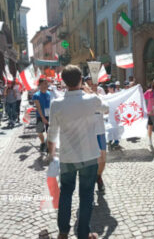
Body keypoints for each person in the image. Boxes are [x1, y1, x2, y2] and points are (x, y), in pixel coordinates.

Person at [47, 65, 109, 239]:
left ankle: (63, 232)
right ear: (81, 79)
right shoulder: (91, 100)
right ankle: (83, 233)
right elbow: (107, 109)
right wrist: (91, 92)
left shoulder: (56, 104)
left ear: (64, 82)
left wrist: (51, 154)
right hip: (89, 155)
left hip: (67, 157)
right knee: (86, 194)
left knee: (66, 193)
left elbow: (52, 133)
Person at [83, 77, 107, 192]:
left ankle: (98, 176)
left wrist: (95, 97)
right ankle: (91, 182)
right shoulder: (83, 99)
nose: (93, 86)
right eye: (90, 84)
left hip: (100, 131)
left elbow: (106, 110)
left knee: (103, 160)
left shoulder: (101, 97)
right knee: (92, 160)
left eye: (94, 84)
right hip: (89, 132)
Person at [33, 78, 51, 152]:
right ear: (40, 85)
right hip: (40, 116)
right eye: (44, 83)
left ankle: (47, 145)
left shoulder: (49, 93)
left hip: (49, 115)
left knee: (49, 132)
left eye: (47, 83)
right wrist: (42, 117)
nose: (46, 85)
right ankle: (43, 143)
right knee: (40, 132)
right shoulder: (36, 95)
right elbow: (38, 107)